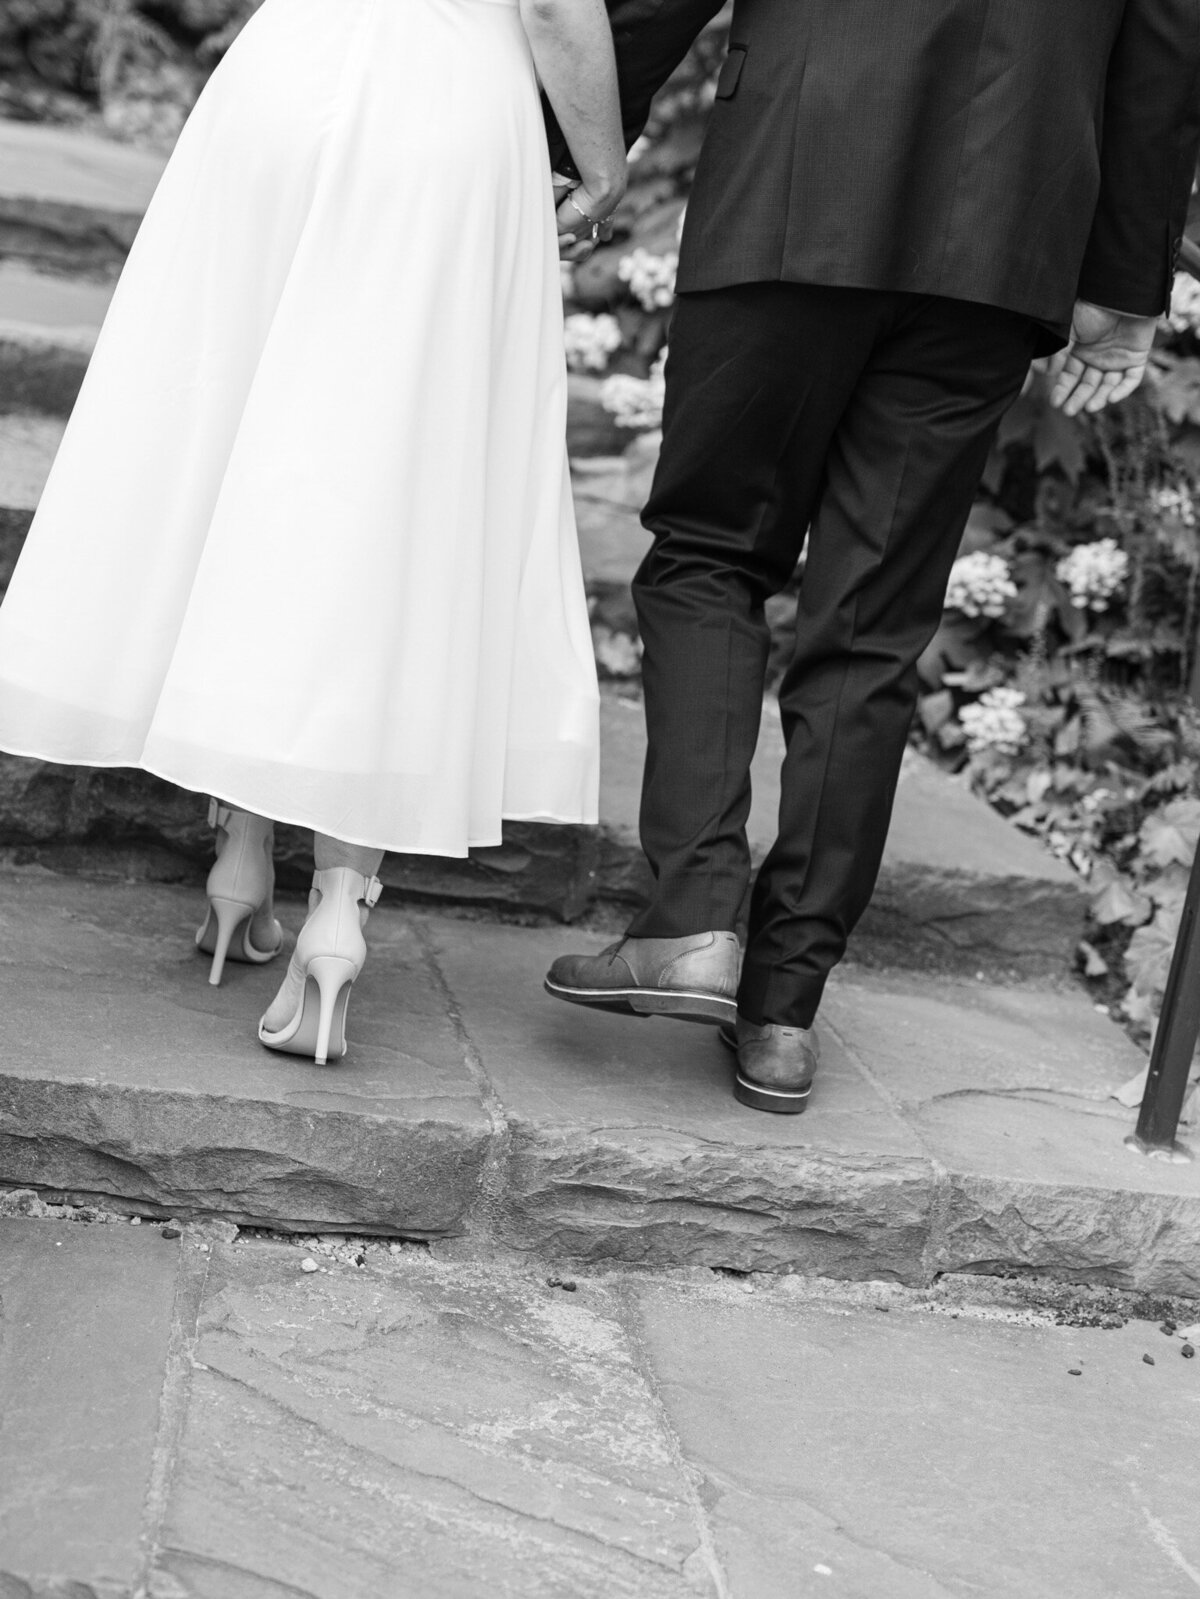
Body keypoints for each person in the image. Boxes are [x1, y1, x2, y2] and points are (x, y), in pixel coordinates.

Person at [547, 0, 1200, 1113]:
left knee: (710, 552)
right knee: (874, 623)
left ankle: (697, 920)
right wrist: (1123, 280)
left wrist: (572, 144)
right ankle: (783, 1011)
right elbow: (1170, 38)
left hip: (797, 179)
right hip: (1004, 232)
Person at [0, 0, 627, 1064]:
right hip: (441, 104)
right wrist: (602, 166)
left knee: (249, 438)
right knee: (390, 476)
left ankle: (238, 864)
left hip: (278, 80)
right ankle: (338, 909)